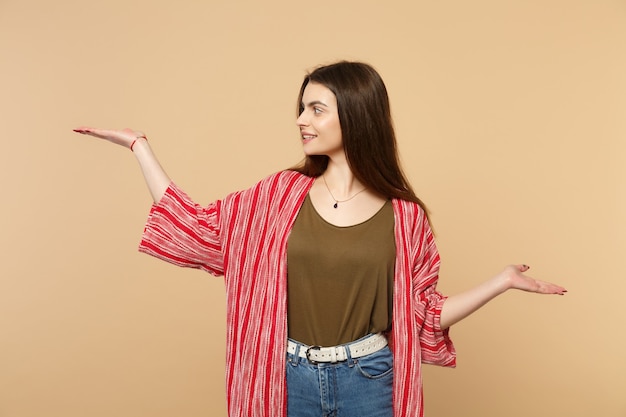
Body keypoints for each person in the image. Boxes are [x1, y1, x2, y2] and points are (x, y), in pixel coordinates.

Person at [74, 61, 566, 417]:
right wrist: (141, 148)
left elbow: (423, 314)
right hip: (285, 380)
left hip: (370, 382)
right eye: (301, 108)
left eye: (316, 109)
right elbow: (199, 229)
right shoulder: (279, 195)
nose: (301, 120)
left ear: (354, 114)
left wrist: (500, 282)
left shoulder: (405, 218)